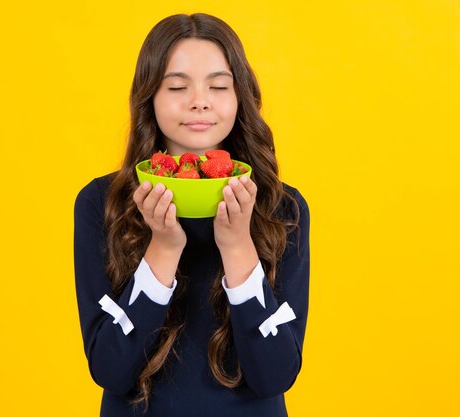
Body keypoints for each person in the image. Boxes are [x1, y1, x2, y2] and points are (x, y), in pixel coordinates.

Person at [74, 13, 310, 417]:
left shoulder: (282, 207)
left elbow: (275, 375)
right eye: (177, 86)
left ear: (240, 97)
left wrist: (237, 246)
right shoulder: (102, 202)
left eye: (218, 86)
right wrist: (163, 249)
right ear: (149, 97)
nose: (199, 100)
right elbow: (111, 370)